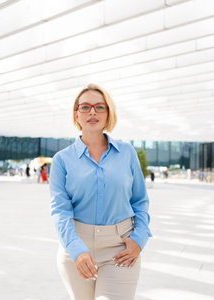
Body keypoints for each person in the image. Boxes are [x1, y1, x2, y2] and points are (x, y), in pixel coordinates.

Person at [50, 84, 152, 300]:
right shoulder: (61, 160)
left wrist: (139, 238)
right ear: (76, 114)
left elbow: (140, 201)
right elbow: (60, 211)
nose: (92, 112)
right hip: (76, 247)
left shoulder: (126, 153)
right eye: (85, 107)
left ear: (108, 113)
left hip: (120, 249)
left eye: (99, 107)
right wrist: (76, 249)